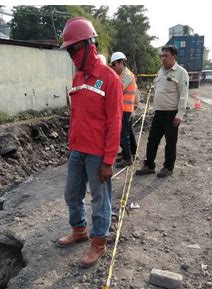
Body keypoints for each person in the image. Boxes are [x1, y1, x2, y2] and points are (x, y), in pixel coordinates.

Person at [57, 17, 123, 268]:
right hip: (77, 150)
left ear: (88, 45)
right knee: (71, 194)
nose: (71, 55)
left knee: (99, 200)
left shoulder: (109, 78)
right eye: (69, 51)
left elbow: (115, 123)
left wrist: (108, 161)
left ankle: (98, 244)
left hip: (97, 155)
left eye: (74, 49)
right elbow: (76, 116)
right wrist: (71, 145)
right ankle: (79, 229)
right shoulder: (78, 78)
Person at [136, 45, 189, 178]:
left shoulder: (181, 73)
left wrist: (179, 115)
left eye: (166, 56)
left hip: (172, 113)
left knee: (170, 142)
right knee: (152, 140)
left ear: (174, 57)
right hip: (158, 113)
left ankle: (168, 167)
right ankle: (149, 165)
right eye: (162, 56)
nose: (163, 58)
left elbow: (184, 95)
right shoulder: (160, 71)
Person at [110, 52, 137, 168]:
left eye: (114, 64)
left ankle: (128, 158)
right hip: (125, 109)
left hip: (125, 109)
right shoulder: (122, 74)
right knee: (129, 132)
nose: (114, 67)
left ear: (121, 62)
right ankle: (132, 152)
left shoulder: (126, 75)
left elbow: (117, 90)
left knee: (123, 134)